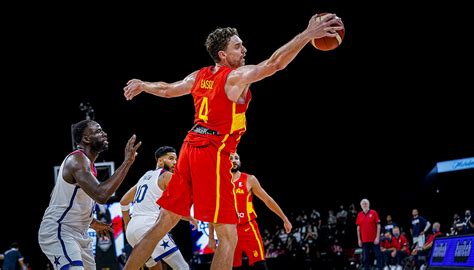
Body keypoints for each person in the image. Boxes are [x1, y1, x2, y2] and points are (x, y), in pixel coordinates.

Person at [122, 12, 343, 270]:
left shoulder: (199, 76)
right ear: (223, 55)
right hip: (213, 152)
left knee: (163, 223)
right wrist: (307, 35)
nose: (244, 49)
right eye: (238, 46)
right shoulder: (234, 77)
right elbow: (275, 63)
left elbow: (168, 89)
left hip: (189, 147)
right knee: (229, 234)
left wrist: (143, 85)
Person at [38, 119, 141, 270]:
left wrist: (90, 221)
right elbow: (101, 195)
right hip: (60, 230)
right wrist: (127, 162)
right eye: (98, 131)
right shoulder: (77, 160)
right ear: (86, 139)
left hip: (79, 233)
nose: (104, 133)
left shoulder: (87, 166)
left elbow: (57, 196)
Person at [207, 152, 292, 269]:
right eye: (230, 158)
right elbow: (212, 212)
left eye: (236, 158)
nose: (234, 160)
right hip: (229, 231)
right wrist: (211, 237)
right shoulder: (218, 183)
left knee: (260, 264)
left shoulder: (249, 179)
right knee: (231, 266)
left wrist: (284, 218)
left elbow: (267, 200)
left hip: (248, 227)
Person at [120, 146, 189, 270]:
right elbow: (179, 204)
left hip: (132, 231)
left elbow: (124, 201)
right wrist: (192, 218)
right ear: (160, 161)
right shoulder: (167, 176)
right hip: (149, 227)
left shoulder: (145, 176)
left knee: (155, 268)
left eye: (176, 159)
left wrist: (127, 224)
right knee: (182, 266)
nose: (175, 162)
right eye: (171, 158)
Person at [356, 198, 383, 270]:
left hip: (374, 240)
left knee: (378, 256)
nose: (364, 205)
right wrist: (359, 239)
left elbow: (378, 225)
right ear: (361, 206)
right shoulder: (359, 215)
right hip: (364, 240)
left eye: (366, 203)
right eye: (363, 204)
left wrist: (377, 237)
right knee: (365, 258)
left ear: (368, 204)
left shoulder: (374, 212)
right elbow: (358, 228)